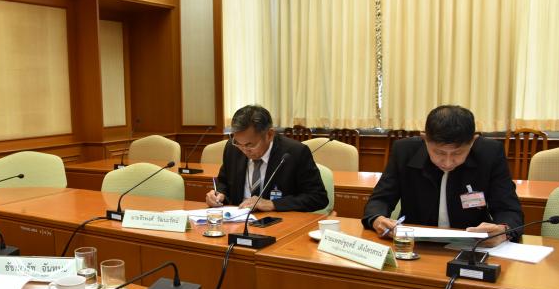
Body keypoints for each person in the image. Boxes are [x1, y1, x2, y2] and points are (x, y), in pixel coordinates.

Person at [362, 105, 523, 246]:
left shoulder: (490, 154)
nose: (447, 162)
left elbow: (509, 209)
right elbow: (380, 199)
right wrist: (377, 219)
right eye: (439, 152)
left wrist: (503, 231)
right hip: (414, 245)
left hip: (473, 246)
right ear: (425, 139)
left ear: (473, 141)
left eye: (457, 153)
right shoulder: (404, 152)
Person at [205, 105, 328, 212]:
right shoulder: (232, 148)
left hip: (279, 223)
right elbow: (224, 182)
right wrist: (218, 194)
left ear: (269, 134)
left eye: (250, 145)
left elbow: (318, 197)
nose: (244, 150)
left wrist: (272, 204)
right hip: (238, 220)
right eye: (238, 143)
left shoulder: (295, 152)